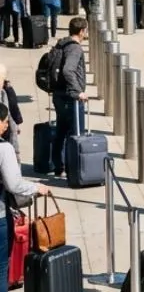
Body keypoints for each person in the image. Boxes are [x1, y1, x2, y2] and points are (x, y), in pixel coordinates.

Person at [0, 103, 52, 292]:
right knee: (1, 269)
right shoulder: (4, 149)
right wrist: (36, 188)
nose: (5, 125)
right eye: (3, 121)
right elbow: (14, 184)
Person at [51, 17, 88, 177]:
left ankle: (58, 166)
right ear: (81, 31)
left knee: (61, 131)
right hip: (70, 98)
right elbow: (68, 70)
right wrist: (78, 92)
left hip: (58, 95)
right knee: (75, 134)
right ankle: (72, 168)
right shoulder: (75, 49)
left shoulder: (61, 43)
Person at [0, 65, 23, 162]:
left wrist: (17, 123)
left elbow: (13, 108)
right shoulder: (7, 91)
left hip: (8, 126)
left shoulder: (7, 92)